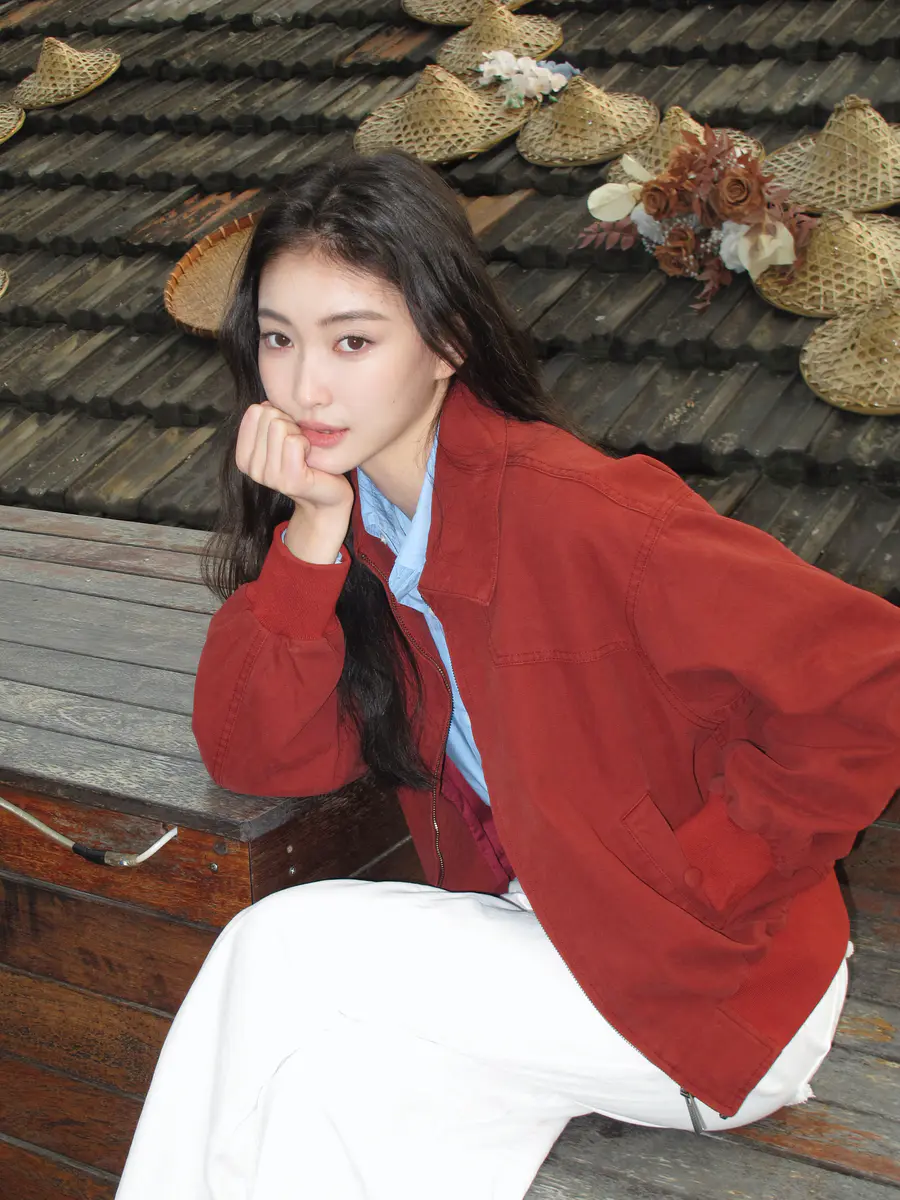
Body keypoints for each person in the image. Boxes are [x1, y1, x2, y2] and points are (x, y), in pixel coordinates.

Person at [115, 149, 900, 1200]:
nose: (304, 387)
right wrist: (309, 536)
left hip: (713, 990)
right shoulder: (364, 529)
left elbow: (873, 682)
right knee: (318, 1102)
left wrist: (700, 879)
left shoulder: (584, 516)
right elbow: (258, 755)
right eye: (278, 338)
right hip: (545, 944)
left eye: (353, 341)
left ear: (446, 342)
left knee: (281, 953)